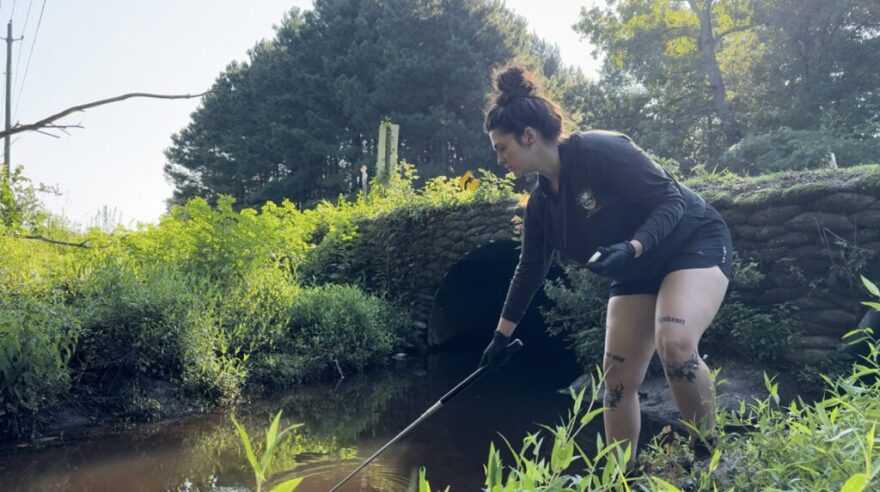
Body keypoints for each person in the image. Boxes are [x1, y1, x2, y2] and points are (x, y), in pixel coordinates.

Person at [478, 65, 734, 467]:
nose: (498, 158)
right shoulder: (541, 206)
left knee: (675, 343)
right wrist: (500, 337)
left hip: (690, 243)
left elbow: (672, 201)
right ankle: (621, 477)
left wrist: (633, 247)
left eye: (501, 146)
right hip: (634, 269)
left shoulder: (599, 151)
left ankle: (709, 457)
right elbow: (529, 270)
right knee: (615, 377)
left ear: (529, 136)